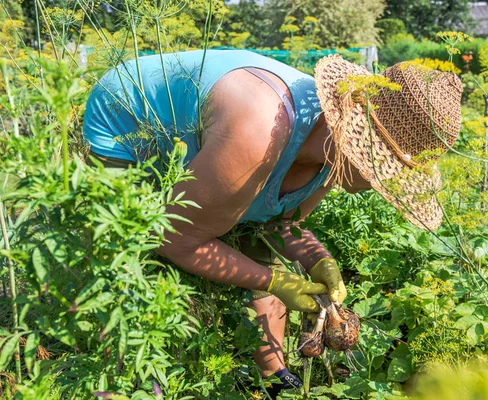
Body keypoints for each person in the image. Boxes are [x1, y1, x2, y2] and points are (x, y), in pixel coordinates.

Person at [82, 50, 462, 393]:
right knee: (133, 254)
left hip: (225, 148)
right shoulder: (259, 132)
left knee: (256, 244)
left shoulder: (332, 153)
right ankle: (124, 377)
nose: (381, 186)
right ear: (358, 141)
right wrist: (275, 282)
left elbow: (282, 225)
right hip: (132, 127)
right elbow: (177, 237)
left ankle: (273, 374)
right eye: (383, 172)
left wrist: (319, 260)